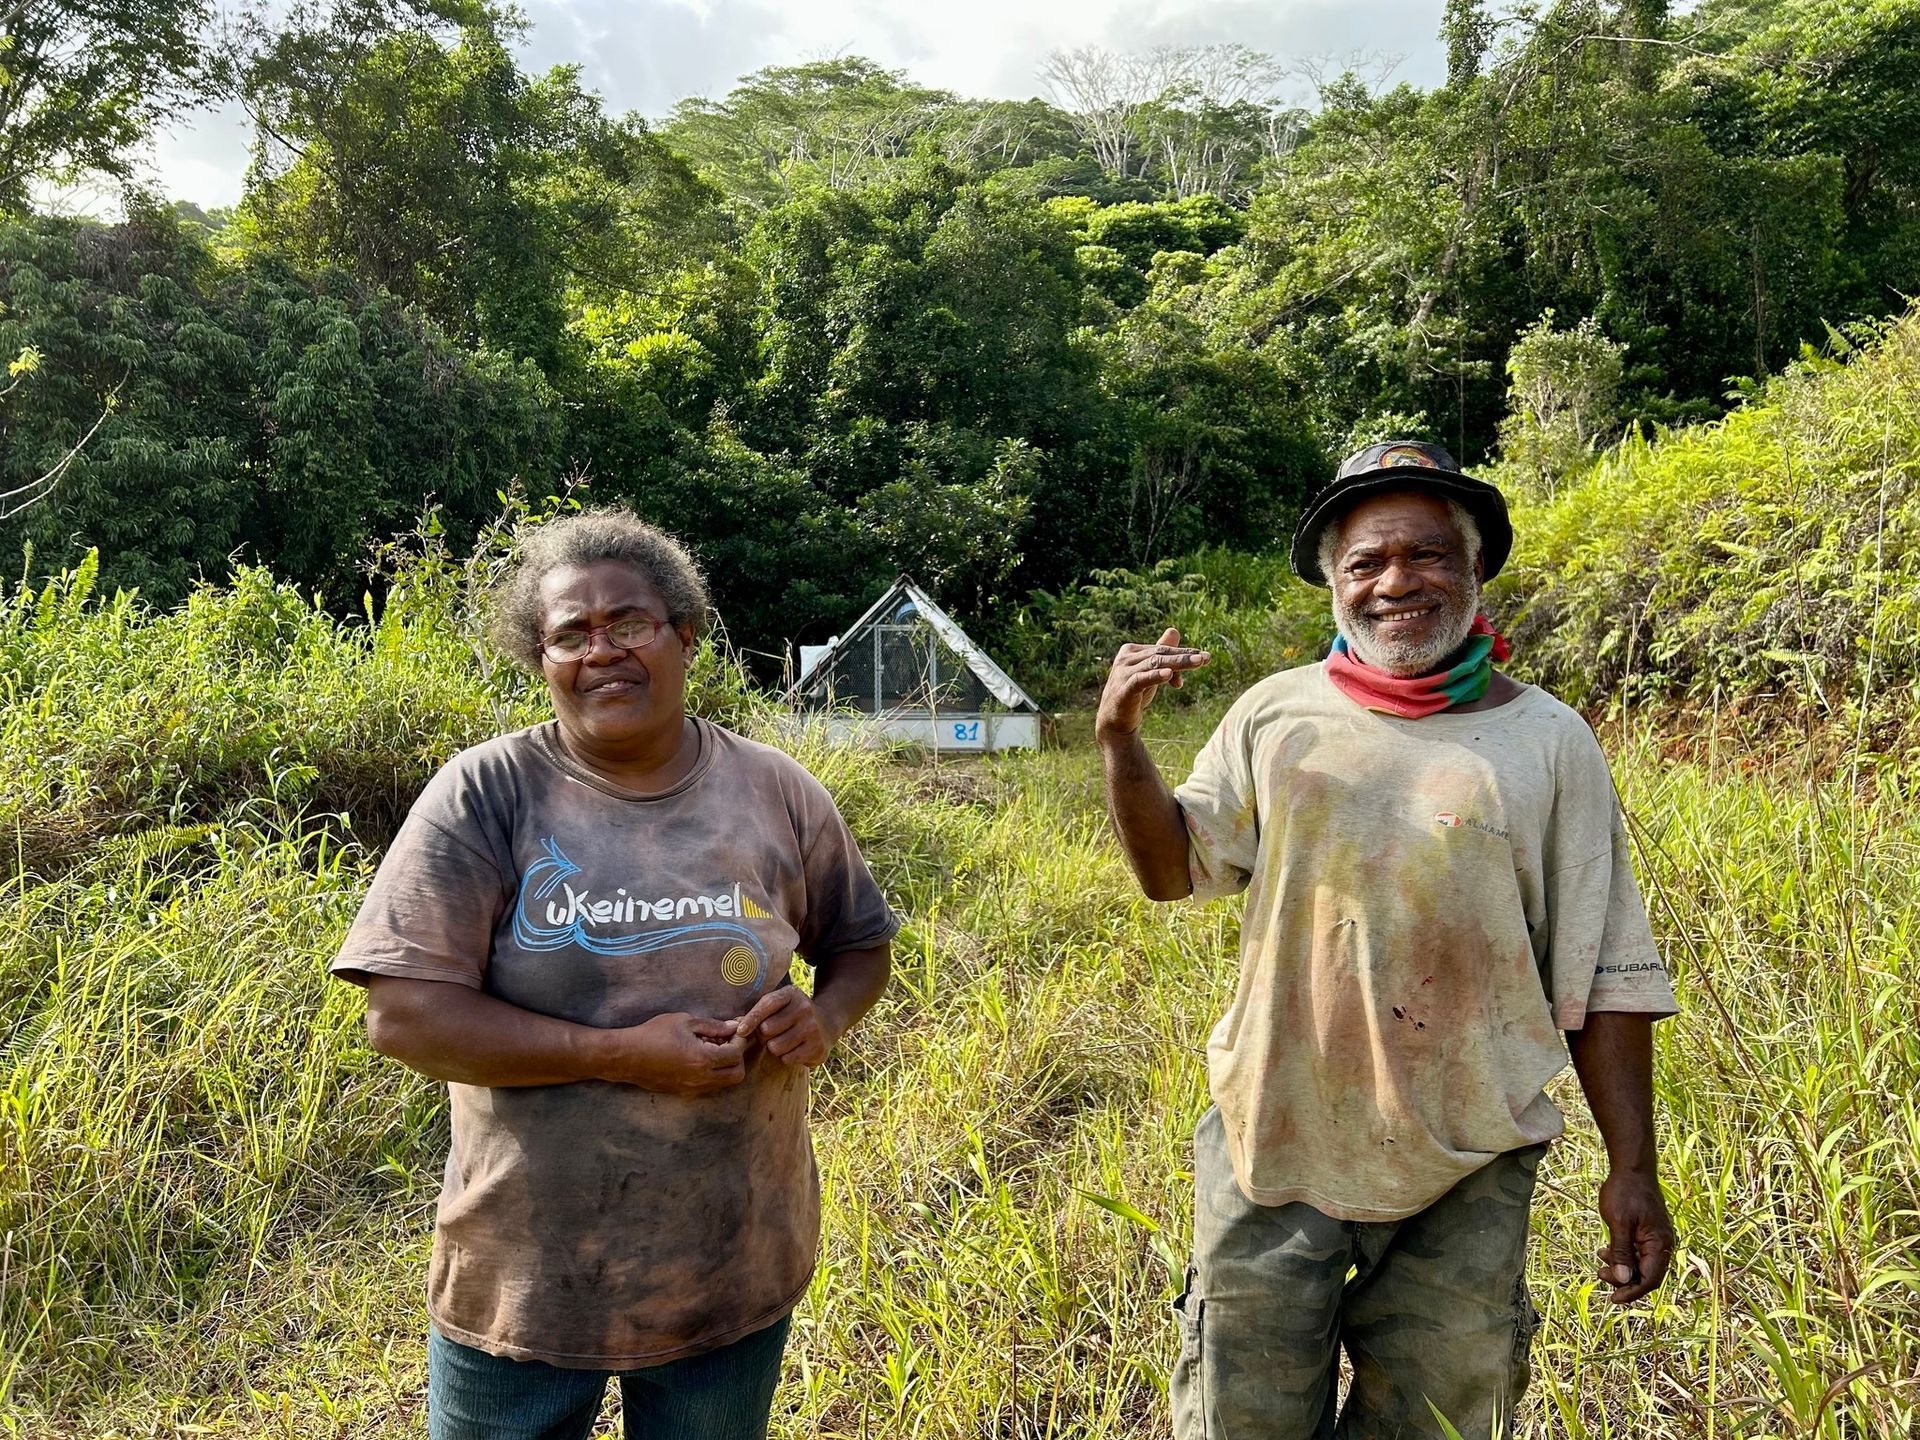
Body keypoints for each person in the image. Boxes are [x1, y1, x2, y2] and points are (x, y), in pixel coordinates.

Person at [1096, 442, 1680, 1440]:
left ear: (1475, 568)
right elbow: (1170, 872)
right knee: (1244, 1419)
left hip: (1470, 1156)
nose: (1396, 582)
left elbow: (1606, 968)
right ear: (1333, 581)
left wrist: (1634, 1168)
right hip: (1273, 1140)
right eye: (1365, 563)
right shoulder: (1276, 716)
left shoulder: (1547, 741)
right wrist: (1118, 745)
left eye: (1427, 556)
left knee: (1437, 1422)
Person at [328, 507, 897, 1440]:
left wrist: (825, 1016)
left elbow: (860, 946)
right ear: (540, 658)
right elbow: (403, 1016)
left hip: (730, 1259)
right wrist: (619, 1055)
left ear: (684, 634)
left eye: (628, 623)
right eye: (570, 634)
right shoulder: (486, 794)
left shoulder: (776, 790)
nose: (603, 652)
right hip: (526, 1275)